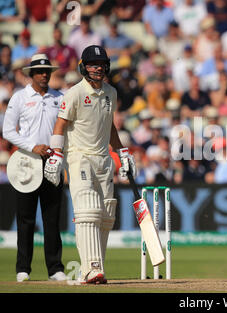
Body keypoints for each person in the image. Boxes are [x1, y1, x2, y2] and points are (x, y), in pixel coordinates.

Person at [43, 45, 136, 284]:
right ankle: (90, 269)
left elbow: (109, 126)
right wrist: (56, 155)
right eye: (93, 64)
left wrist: (122, 151)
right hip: (79, 156)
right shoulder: (74, 93)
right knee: (88, 210)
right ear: (83, 66)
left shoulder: (111, 93)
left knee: (107, 214)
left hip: (104, 158)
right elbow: (60, 125)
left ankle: (96, 269)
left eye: (102, 64)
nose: (98, 68)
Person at [2, 54, 66, 282]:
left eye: (47, 71)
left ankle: (55, 268)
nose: (44, 74)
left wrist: (60, 154)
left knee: (52, 217)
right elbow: (8, 131)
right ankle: (23, 268)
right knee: (26, 218)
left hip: (52, 161)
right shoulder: (20, 98)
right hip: (27, 162)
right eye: (39, 71)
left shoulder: (60, 97)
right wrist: (32, 146)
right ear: (31, 74)